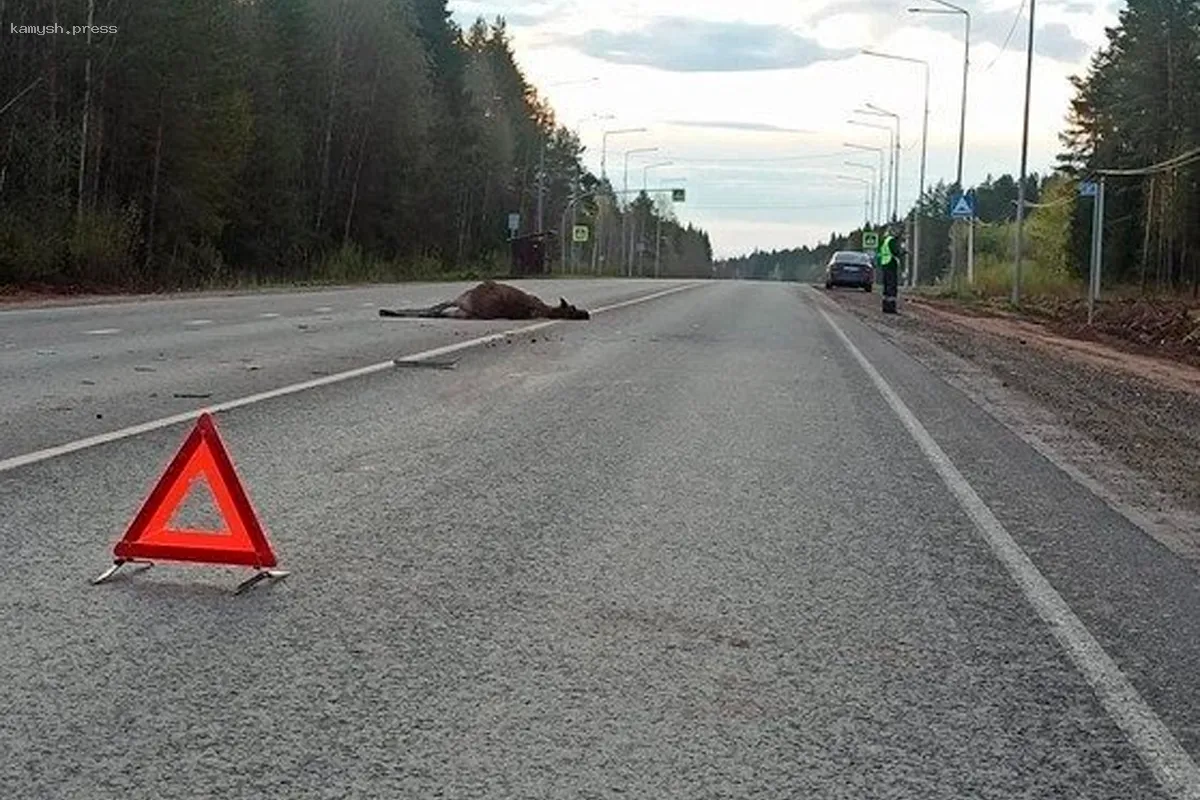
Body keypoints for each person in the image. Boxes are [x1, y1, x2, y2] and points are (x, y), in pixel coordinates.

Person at [877, 227, 906, 314]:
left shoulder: (885, 240)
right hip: (891, 264)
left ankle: (885, 307)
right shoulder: (891, 241)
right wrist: (903, 252)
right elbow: (895, 252)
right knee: (892, 286)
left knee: (886, 287)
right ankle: (891, 308)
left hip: (885, 264)